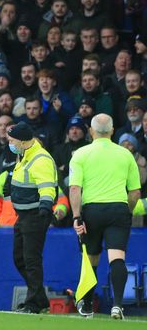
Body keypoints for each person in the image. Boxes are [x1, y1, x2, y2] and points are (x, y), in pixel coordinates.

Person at [70, 114, 141, 320]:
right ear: (112, 131)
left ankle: (87, 304)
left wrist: (76, 216)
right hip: (118, 209)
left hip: (92, 211)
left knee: (92, 257)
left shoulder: (81, 154)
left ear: (91, 131)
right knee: (117, 257)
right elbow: (135, 191)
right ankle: (117, 305)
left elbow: (75, 188)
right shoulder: (125, 154)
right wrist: (126, 210)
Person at [7, 121, 58, 314]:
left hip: (36, 214)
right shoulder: (24, 155)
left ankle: (34, 303)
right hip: (24, 215)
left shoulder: (40, 158)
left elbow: (46, 185)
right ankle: (39, 297)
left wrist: (46, 205)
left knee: (31, 259)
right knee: (20, 258)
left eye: (11, 140)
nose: (9, 144)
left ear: (21, 141)